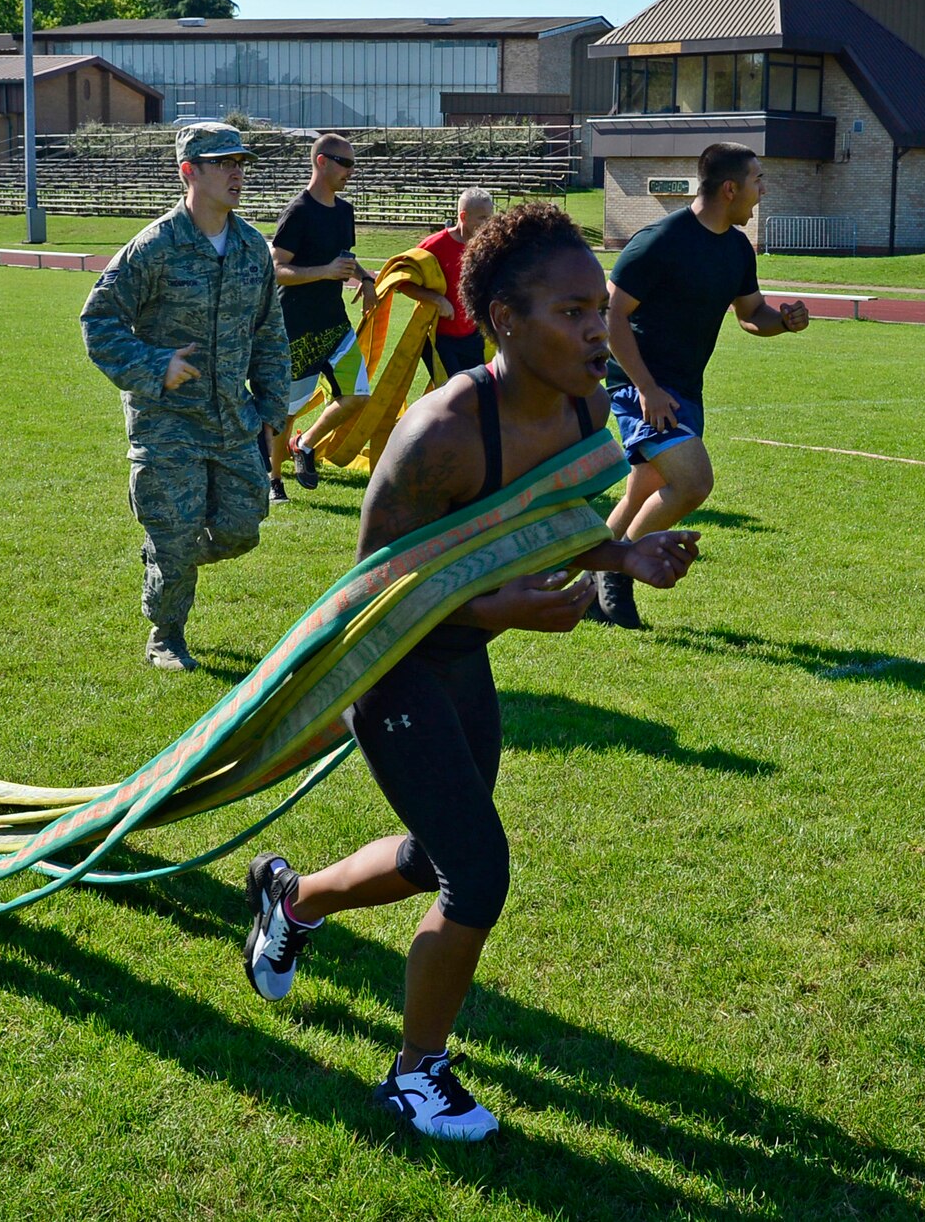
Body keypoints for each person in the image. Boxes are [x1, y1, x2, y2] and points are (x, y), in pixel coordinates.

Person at [240, 203, 701, 1140]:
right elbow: (372, 602)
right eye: (573, 313)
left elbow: (560, 521)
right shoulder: (437, 435)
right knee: (477, 873)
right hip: (393, 668)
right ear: (503, 323)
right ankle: (417, 1077)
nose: (597, 332)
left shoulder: (579, 403)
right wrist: (505, 610)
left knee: (431, 857)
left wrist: (623, 559)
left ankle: (289, 901)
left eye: (599, 309)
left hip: (459, 660)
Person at [81, 123, 290, 671]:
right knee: (175, 533)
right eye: (223, 163)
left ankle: (167, 555)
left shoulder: (251, 249)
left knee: (245, 528)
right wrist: (155, 366)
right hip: (166, 422)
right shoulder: (153, 248)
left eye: (240, 162)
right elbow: (99, 323)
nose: (236, 173)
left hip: (232, 418)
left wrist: (271, 410)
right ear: (189, 171)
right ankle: (166, 632)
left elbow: (270, 333)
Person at [588, 142, 808, 630]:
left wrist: (785, 322)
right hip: (639, 387)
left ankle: (589, 588)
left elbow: (752, 314)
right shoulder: (659, 241)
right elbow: (612, 317)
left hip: (685, 389)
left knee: (643, 491)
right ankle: (617, 578)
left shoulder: (735, 248)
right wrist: (646, 389)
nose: (762, 190)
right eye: (757, 181)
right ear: (730, 189)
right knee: (693, 482)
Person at [269, 133, 378, 500]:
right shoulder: (297, 212)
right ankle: (274, 481)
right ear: (322, 162)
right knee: (286, 411)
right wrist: (325, 271)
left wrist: (363, 278)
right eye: (345, 163)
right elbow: (277, 268)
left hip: (335, 325)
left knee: (358, 395)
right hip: (297, 327)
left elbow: (343, 259)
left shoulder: (345, 211)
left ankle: (305, 445)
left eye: (353, 164)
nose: (351, 171)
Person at [407, 187, 496, 375]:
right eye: (482, 218)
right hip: (438, 339)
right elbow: (403, 281)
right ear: (463, 216)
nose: (488, 224)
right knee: (455, 394)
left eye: (490, 217)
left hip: (472, 336)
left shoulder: (487, 246)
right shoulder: (433, 245)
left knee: (477, 392)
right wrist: (437, 300)